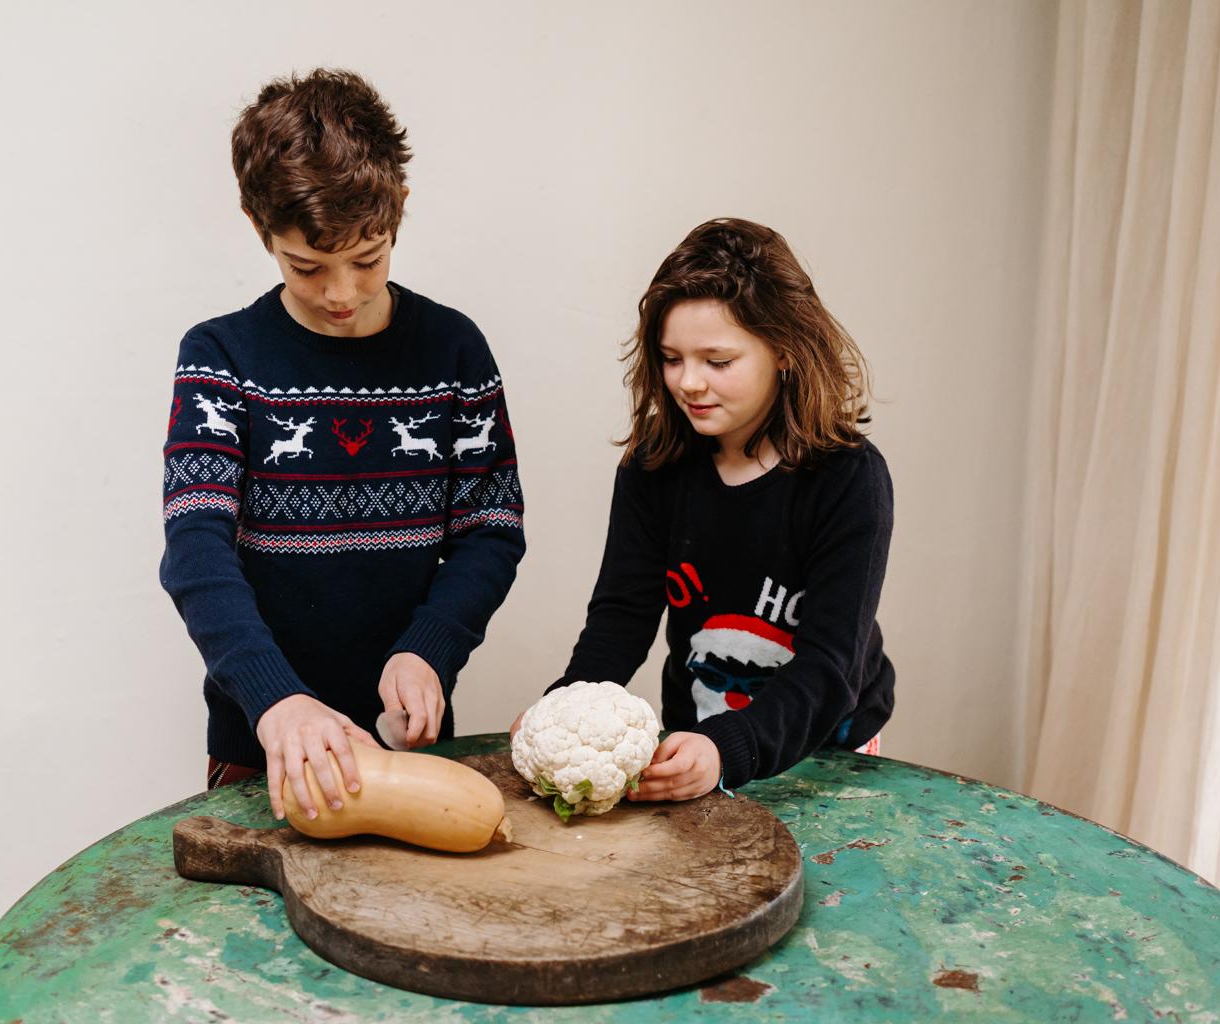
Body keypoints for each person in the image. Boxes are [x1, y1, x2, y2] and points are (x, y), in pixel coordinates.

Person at [161, 69, 525, 821]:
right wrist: (277, 700)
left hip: (411, 752)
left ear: (399, 213)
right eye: (307, 266)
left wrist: (430, 647)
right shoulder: (221, 357)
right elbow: (196, 546)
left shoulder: (454, 351)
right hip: (264, 746)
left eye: (369, 259)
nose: (341, 294)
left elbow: (492, 528)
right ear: (260, 228)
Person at [515, 217, 893, 801]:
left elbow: (832, 667)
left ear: (784, 352)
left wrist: (728, 748)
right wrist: (559, 714)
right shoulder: (653, 468)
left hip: (827, 752)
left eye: (718, 361)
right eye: (671, 358)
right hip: (700, 742)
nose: (689, 382)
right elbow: (620, 619)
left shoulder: (849, 478)